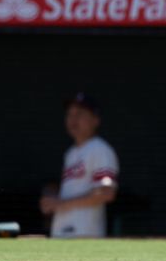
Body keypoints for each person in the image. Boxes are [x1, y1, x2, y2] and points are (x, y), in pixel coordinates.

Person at [40, 92, 119, 238]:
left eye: (80, 113)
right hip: (62, 232)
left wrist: (61, 203)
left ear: (95, 120)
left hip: (84, 234)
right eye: (70, 114)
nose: (73, 119)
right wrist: (53, 200)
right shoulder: (70, 153)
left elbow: (106, 193)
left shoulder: (100, 149)